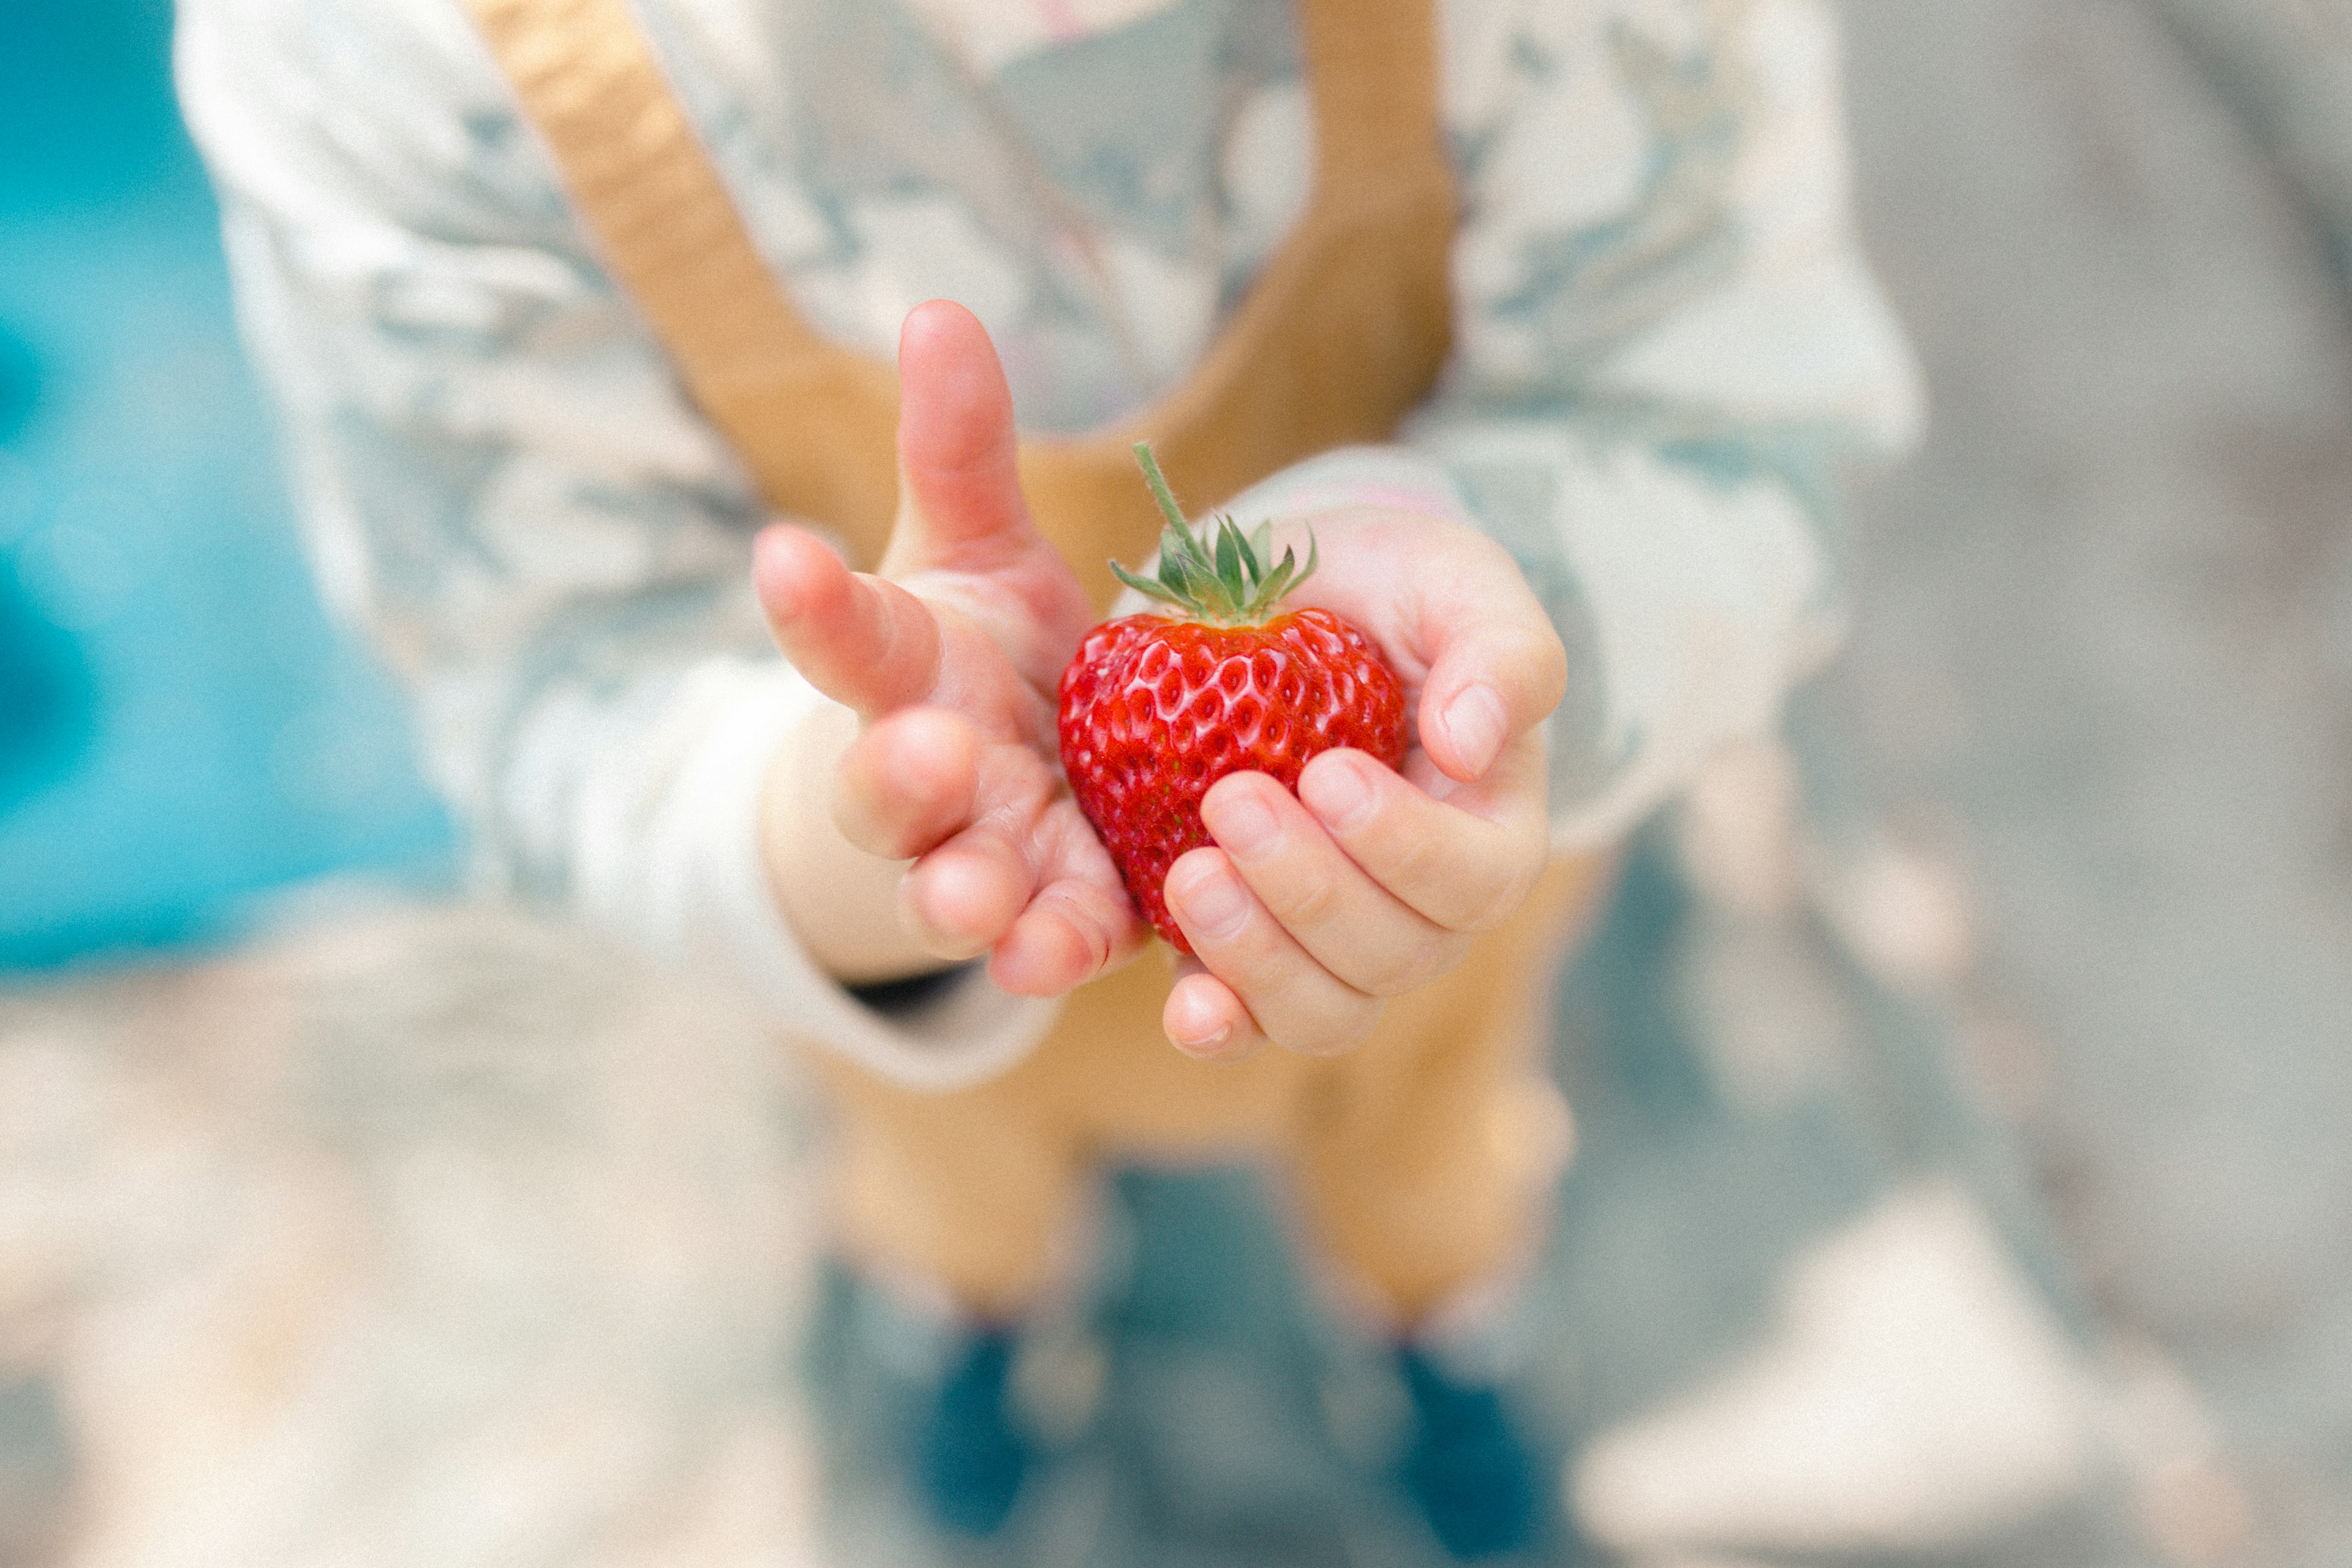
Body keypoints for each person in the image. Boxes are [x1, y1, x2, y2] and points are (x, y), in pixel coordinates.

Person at [175, 0, 1919, 1556]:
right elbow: (546, 672)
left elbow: (1724, 402)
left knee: (1437, 1154)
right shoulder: (388, 58)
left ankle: (1436, 1331)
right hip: (899, 964)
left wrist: (1488, 588)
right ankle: (975, 1323)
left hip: (1440, 894)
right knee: (948, 1189)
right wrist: (840, 842)